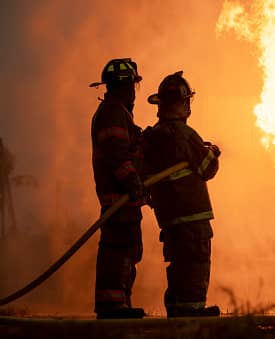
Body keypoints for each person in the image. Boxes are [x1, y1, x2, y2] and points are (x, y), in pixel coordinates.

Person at [142, 71, 221, 317]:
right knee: (195, 265)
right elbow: (207, 168)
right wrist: (212, 153)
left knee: (179, 267)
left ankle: (177, 314)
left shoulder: (154, 136)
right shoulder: (184, 134)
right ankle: (192, 317)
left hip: (170, 219)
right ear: (183, 102)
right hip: (192, 216)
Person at [89, 58, 146, 319]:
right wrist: (134, 184)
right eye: (133, 85)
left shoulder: (118, 112)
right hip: (119, 198)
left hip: (125, 199)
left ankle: (120, 305)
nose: (135, 91)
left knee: (128, 251)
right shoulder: (113, 112)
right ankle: (112, 308)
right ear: (125, 87)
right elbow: (116, 155)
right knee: (118, 250)